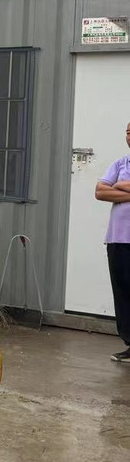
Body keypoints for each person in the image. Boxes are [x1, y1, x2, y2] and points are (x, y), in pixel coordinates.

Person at [94, 121, 130, 362]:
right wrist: (118, 186)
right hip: (118, 239)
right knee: (123, 291)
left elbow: (111, 188)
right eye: (128, 131)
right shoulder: (120, 163)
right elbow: (100, 191)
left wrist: (120, 185)